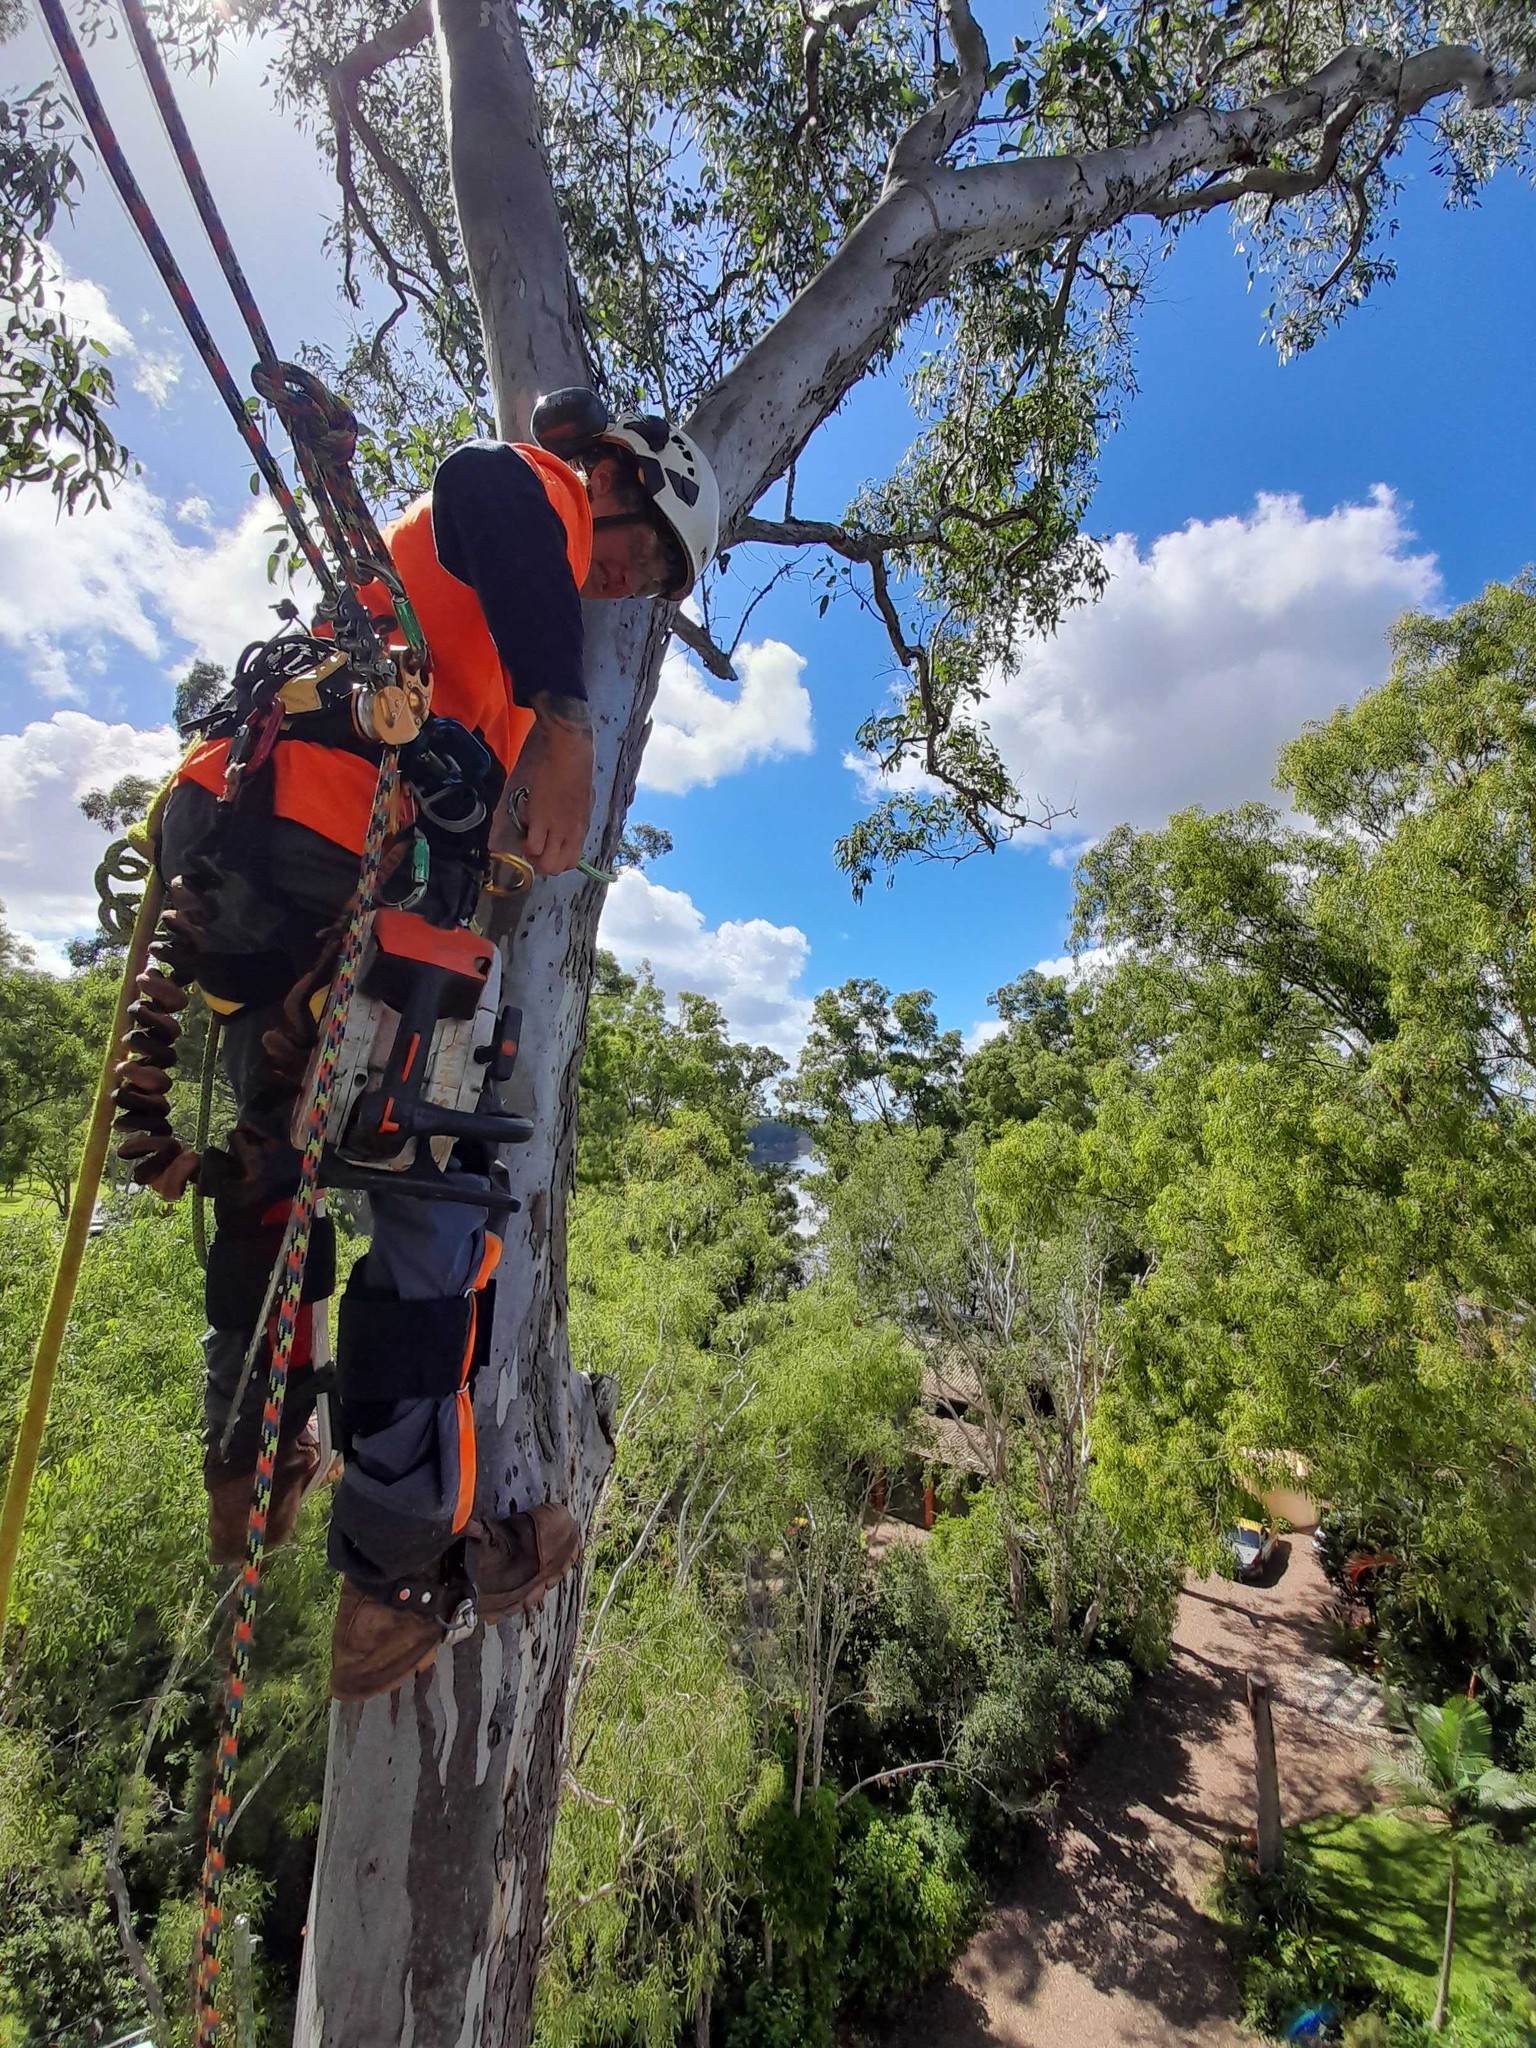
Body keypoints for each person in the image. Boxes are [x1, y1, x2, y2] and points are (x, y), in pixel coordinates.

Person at [146, 405, 719, 1699]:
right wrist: (566, 725)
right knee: (442, 1209)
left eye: (655, 583)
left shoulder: (478, 628)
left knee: (270, 1168)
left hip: (253, 855)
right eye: (647, 552)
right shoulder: (540, 498)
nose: (630, 583)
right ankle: (399, 1587)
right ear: (619, 477)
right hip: (339, 861)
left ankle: (250, 1463)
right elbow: (483, 486)